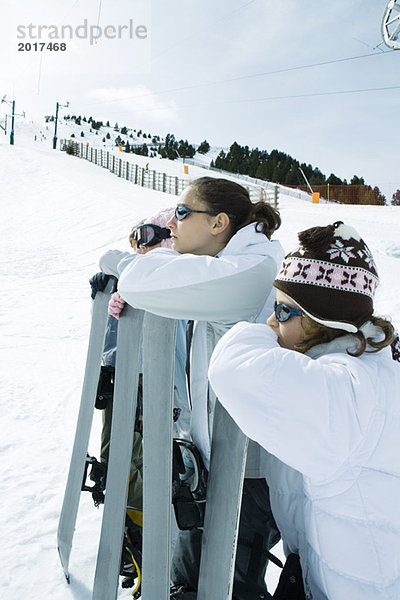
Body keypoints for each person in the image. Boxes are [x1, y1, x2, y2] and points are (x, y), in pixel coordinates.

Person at [106, 176, 284, 599]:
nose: (173, 225)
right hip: (212, 458)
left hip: (248, 470)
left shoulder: (252, 270)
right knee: (189, 582)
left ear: (219, 222)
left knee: (230, 587)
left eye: (183, 214)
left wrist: (124, 269)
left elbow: (141, 277)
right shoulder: (228, 265)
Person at [208, 221, 400, 600]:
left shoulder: (345, 390)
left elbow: (233, 367)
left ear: (322, 320)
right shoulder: (364, 365)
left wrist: (259, 332)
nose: (270, 320)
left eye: (282, 311)